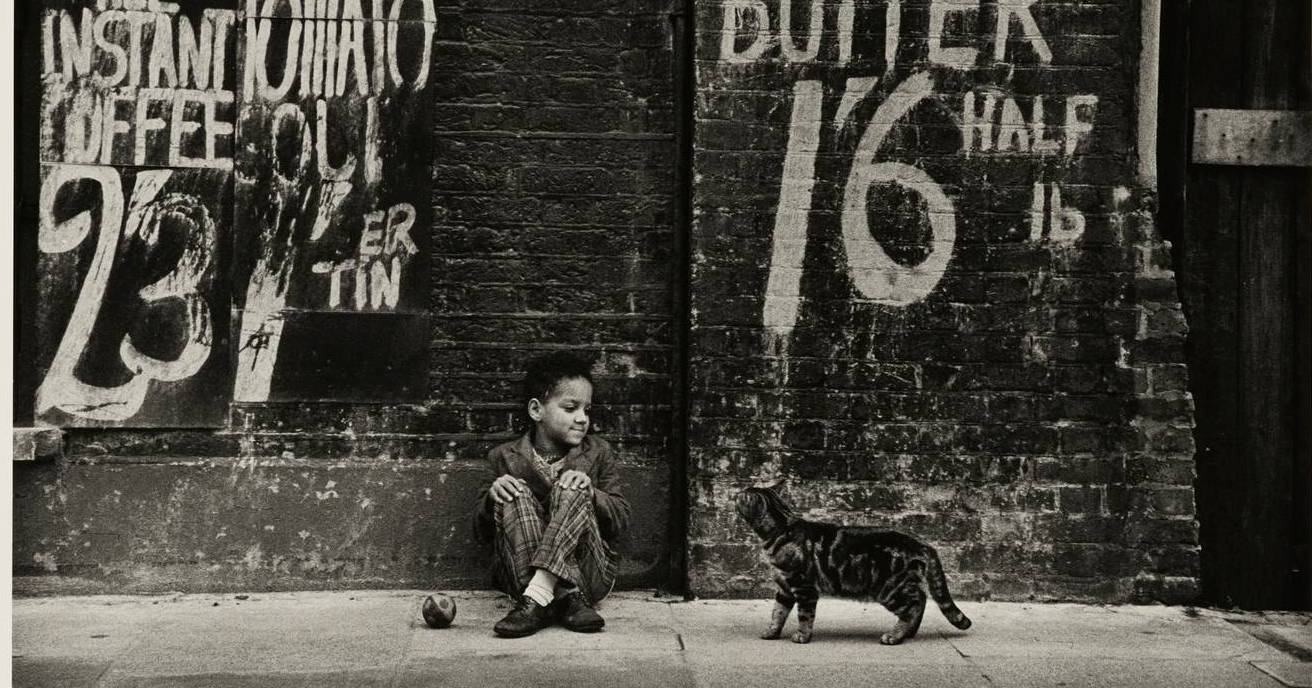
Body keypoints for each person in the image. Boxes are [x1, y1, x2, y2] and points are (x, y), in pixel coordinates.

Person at [472, 351, 631, 638]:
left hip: (587, 573)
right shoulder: (502, 458)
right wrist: (491, 498)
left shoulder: (599, 453)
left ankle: (539, 594)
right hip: (519, 570)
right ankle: (564, 596)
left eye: (587, 410)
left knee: (572, 486)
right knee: (512, 491)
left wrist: (592, 493)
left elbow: (620, 518)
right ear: (536, 410)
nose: (582, 418)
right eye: (571, 408)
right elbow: (481, 534)